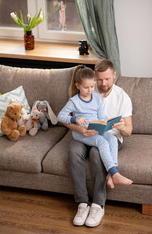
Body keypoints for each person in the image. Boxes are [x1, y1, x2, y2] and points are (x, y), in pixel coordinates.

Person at [57, 62, 133, 227]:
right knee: (74, 152)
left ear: (114, 75)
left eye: (107, 79)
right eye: (99, 80)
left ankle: (98, 204)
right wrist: (78, 127)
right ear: (94, 78)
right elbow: (65, 118)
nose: (103, 84)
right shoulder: (88, 87)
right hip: (83, 134)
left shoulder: (122, 96)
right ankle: (82, 203)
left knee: (96, 154)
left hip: (107, 135)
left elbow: (128, 130)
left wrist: (120, 127)